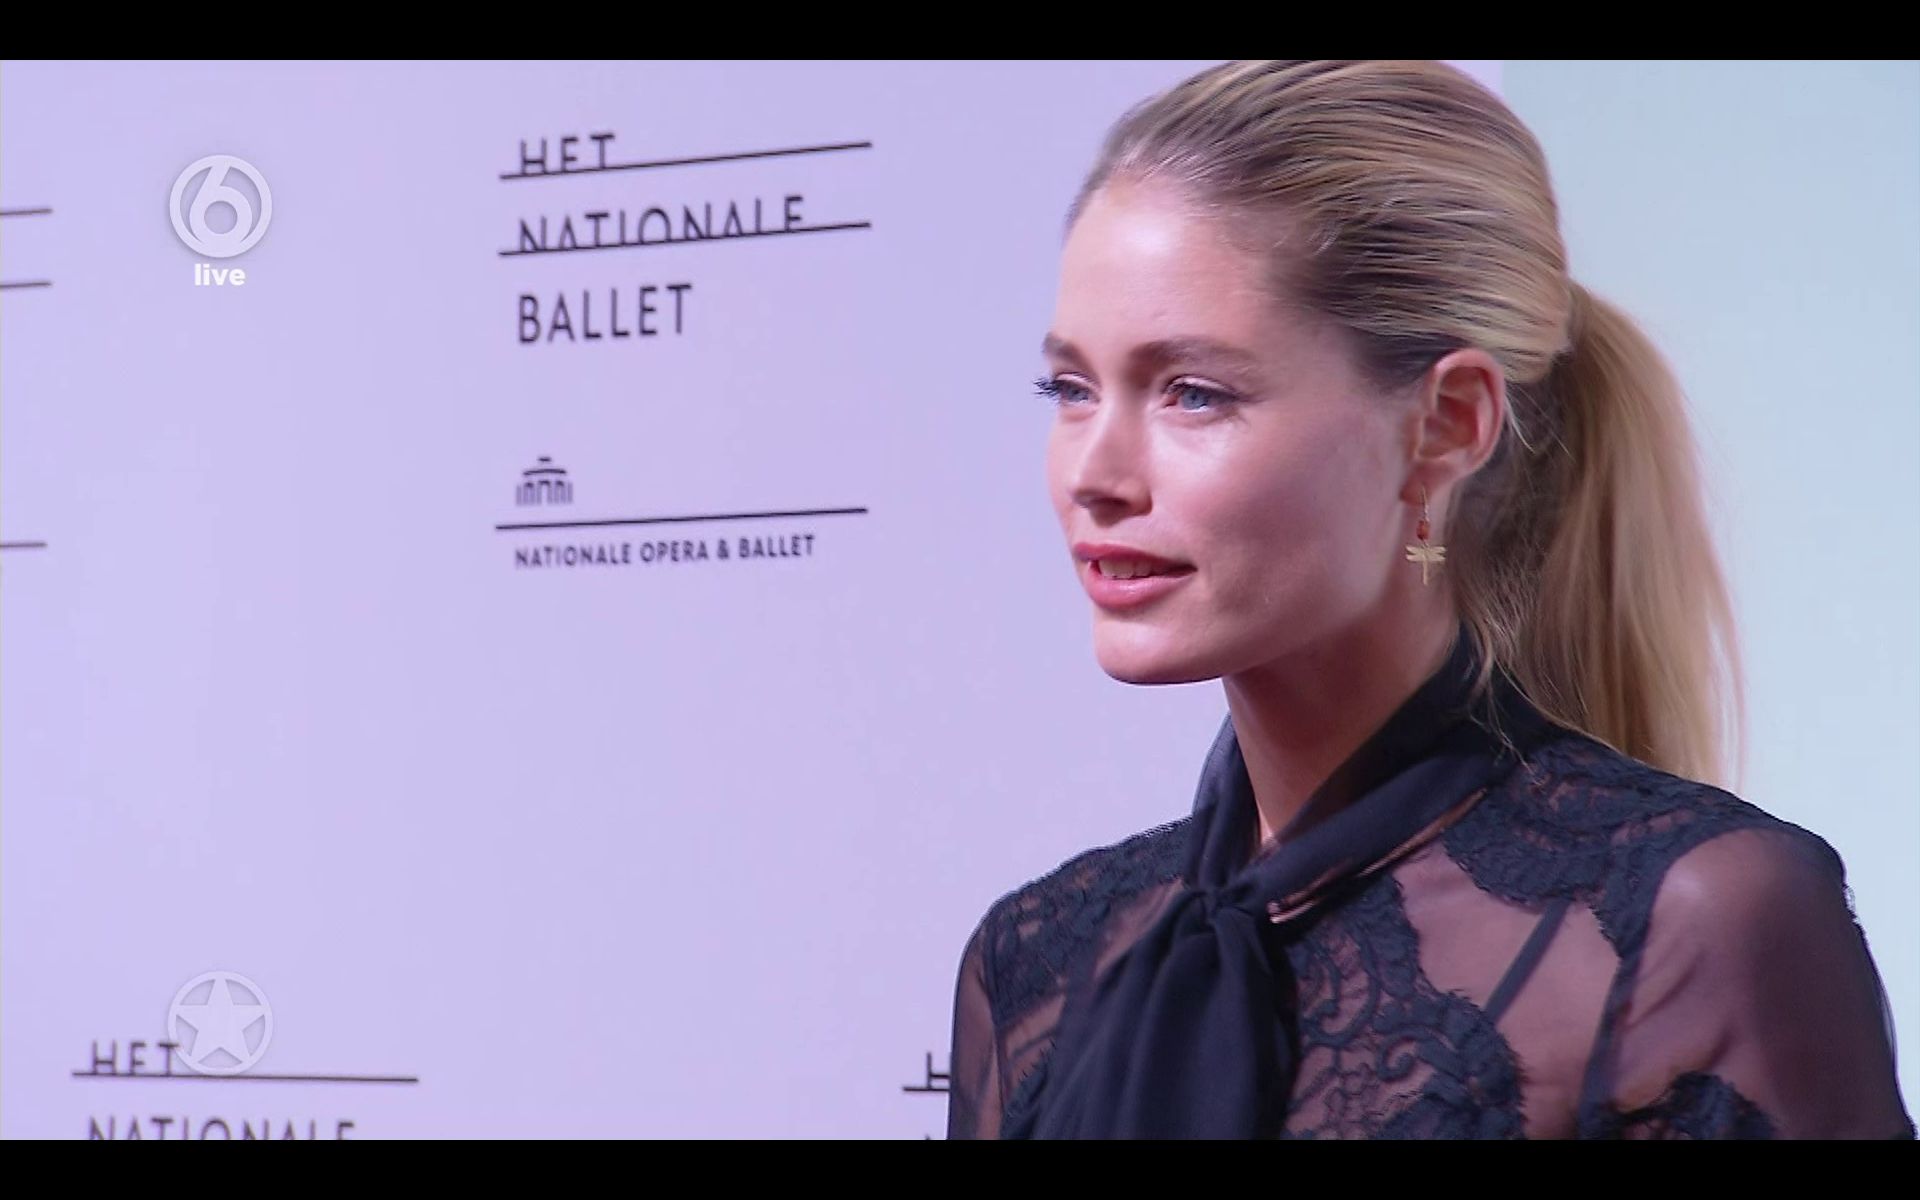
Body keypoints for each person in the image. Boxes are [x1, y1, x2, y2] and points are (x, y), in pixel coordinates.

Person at [944, 59, 1914, 1140]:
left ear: (1446, 426)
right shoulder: (1034, 958)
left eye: (1194, 394)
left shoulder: (1696, 921)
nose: (1095, 473)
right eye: (1071, 389)